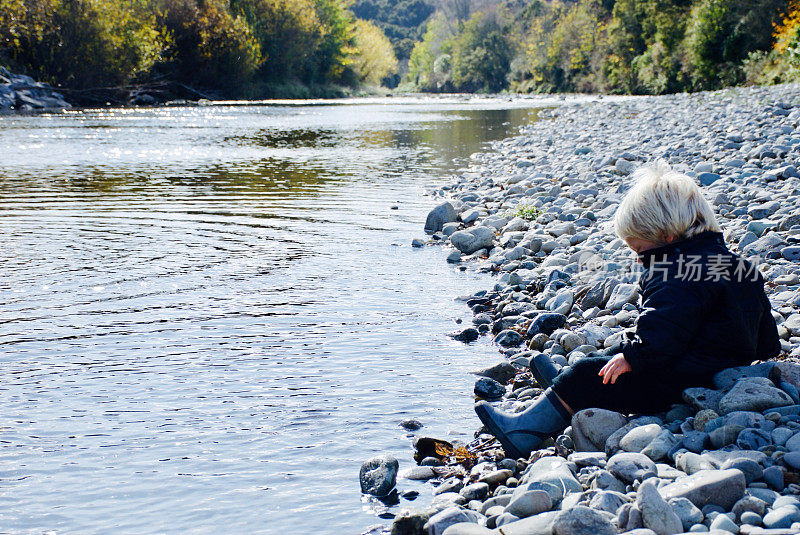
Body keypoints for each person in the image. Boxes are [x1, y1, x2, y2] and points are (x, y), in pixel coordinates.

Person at [475, 162, 781, 460]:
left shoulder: (675, 269)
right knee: (601, 364)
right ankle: (561, 392)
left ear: (667, 237)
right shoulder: (738, 266)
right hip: (717, 372)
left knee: (586, 373)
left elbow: (664, 329)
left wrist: (635, 355)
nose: (638, 261)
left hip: (680, 381)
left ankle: (523, 431)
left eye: (640, 251)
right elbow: (767, 339)